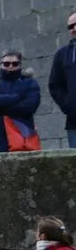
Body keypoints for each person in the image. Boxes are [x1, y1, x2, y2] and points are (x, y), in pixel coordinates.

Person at [0, 50, 41, 153]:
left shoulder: (30, 82)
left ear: (20, 65)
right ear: (1, 65)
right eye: (6, 63)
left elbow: (30, 107)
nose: (10, 66)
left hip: (22, 135)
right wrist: (16, 97)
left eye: (15, 63)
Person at [48, 12, 76, 148]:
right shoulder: (62, 55)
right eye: (71, 26)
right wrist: (69, 105)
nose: (74, 29)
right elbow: (55, 85)